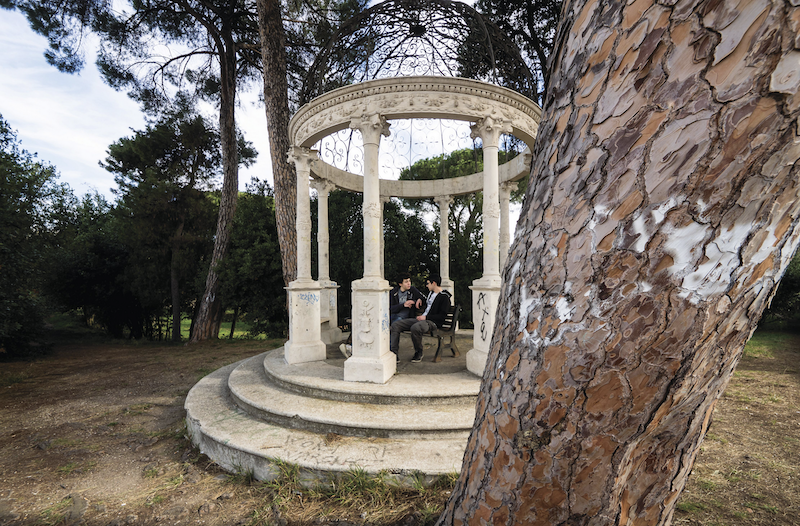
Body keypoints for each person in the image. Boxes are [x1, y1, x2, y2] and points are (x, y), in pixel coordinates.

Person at [389, 274, 451, 363]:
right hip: (422, 320)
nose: (426, 285)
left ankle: (419, 352)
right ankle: (393, 354)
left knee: (416, 327)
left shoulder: (444, 297)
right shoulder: (431, 294)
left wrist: (426, 317)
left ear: (434, 283)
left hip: (432, 322)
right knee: (396, 325)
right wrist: (418, 300)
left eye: (428, 283)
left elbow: (442, 317)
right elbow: (423, 300)